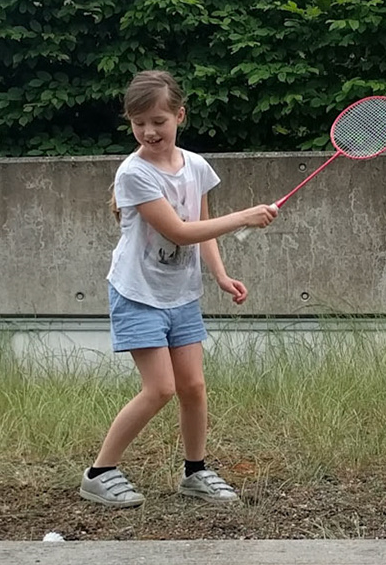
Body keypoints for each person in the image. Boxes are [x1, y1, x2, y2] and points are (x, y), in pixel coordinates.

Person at [80, 70, 280, 508]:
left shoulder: (196, 167)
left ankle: (195, 472)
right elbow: (180, 231)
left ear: (180, 116)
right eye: (139, 123)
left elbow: (201, 226)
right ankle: (99, 473)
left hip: (181, 295)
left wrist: (220, 275)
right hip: (138, 294)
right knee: (160, 389)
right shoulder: (134, 174)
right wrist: (245, 217)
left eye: (159, 121)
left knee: (193, 386)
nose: (149, 131)